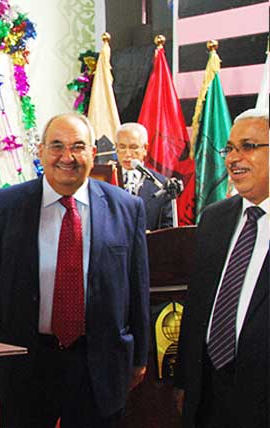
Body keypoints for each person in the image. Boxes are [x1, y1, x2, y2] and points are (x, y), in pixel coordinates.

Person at [0, 112, 150, 428]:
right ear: (41, 151)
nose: (67, 157)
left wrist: (139, 356)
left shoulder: (127, 208)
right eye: (57, 146)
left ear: (93, 153)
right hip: (26, 361)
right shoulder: (3, 206)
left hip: (98, 363)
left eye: (78, 146)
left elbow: (138, 288)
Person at [174, 108, 268, 428]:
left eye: (248, 146)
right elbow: (197, 305)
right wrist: (186, 380)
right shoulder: (214, 218)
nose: (233, 158)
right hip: (209, 392)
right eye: (229, 148)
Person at [116, 122, 174, 230]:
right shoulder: (105, 179)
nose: (127, 154)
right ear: (116, 148)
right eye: (122, 147)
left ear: (145, 148)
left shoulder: (161, 184)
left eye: (133, 147)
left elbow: (168, 228)